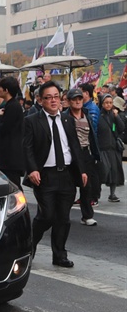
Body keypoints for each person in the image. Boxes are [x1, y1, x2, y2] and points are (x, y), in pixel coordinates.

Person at [24, 81, 87, 268]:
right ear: (40, 100)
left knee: (63, 218)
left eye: (56, 97)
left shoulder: (67, 120)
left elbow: (75, 147)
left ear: (61, 99)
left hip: (66, 175)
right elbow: (27, 148)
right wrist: (32, 169)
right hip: (45, 176)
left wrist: (82, 170)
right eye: (48, 97)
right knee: (46, 216)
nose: (53, 101)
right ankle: (29, 247)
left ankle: (59, 255)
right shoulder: (32, 120)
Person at [65, 88, 100, 226]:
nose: (78, 101)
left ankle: (87, 216)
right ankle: (63, 215)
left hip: (86, 153)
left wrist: (95, 154)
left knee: (87, 186)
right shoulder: (64, 117)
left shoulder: (87, 115)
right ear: (69, 101)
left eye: (79, 98)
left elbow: (93, 136)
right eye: (74, 99)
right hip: (71, 154)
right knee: (70, 187)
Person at [98, 94, 125, 202]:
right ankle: (96, 193)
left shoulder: (114, 115)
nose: (108, 105)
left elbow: (122, 127)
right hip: (102, 148)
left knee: (114, 171)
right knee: (103, 171)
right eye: (106, 103)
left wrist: (116, 116)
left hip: (113, 148)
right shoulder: (99, 115)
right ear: (102, 103)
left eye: (110, 102)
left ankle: (112, 194)